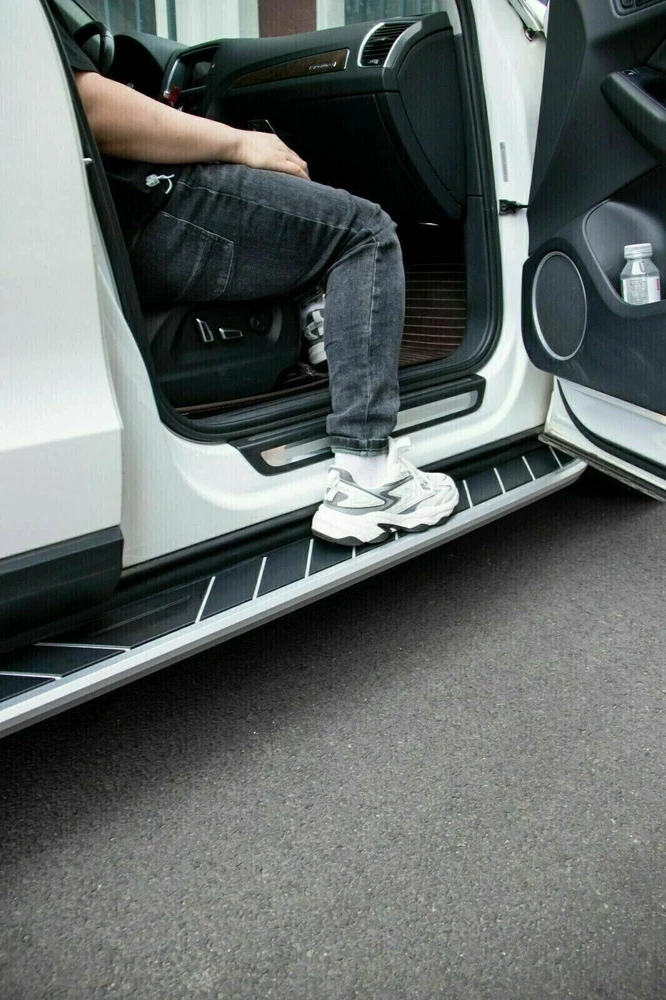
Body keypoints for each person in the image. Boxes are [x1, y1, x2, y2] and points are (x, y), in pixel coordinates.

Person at [54, 15, 459, 546]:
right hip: (143, 206)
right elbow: (88, 106)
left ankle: (322, 327)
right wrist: (239, 143)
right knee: (366, 232)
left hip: (108, 222)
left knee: (296, 215)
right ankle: (368, 477)